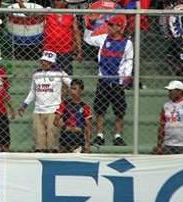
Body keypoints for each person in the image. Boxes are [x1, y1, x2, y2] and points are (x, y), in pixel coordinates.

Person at [86, 14, 134, 147]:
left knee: (119, 111)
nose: (109, 27)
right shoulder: (103, 38)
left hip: (118, 81)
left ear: (119, 27)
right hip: (103, 80)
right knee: (100, 109)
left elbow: (129, 61)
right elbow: (87, 39)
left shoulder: (128, 43)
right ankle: (99, 136)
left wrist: (126, 77)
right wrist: (90, 26)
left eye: (111, 25)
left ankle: (117, 136)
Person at [18, 50, 70, 152]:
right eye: (43, 61)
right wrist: (24, 105)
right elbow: (33, 91)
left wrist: (65, 92)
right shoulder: (36, 74)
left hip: (53, 110)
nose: (44, 63)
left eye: (47, 61)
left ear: (52, 63)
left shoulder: (59, 73)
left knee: (52, 138)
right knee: (39, 139)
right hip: (38, 110)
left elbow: (71, 84)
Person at [55, 77, 93, 153]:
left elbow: (88, 127)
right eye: (71, 88)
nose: (72, 91)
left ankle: (78, 148)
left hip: (78, 137)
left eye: (75, 89)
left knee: (77, 154)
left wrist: (87, 144)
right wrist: (66, 127)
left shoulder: (85, 107)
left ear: (81, 90)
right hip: (65, 136)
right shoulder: (64, 104)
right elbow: (55, 121)